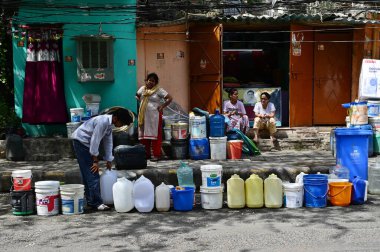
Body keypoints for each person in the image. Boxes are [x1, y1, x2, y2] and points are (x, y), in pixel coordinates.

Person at [72, 108, 132, 211]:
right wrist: (95, 161)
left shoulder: (108, 125)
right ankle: (97, 203)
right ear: (116, 118)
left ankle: (91, 201)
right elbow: (95, 142)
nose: (122, 126)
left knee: (88, 174)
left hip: (84, 143)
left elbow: (108, 142)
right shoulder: (103, 122)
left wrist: (109, 160)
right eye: (122, 123)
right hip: (81, 142)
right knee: (92, 173)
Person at [136, 72, 173, 161]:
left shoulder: (159, 90)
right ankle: (146, 154)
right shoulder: (142, 89)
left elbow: (170, 98)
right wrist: (139, 101)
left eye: (153, 81)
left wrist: (162, 106)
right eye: (149, 80)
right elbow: (137, 95)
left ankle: (156, 155)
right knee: (144, 136)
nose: (151, 82)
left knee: (156, 136)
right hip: (144, 116)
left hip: (154, 116)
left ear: (156, 83)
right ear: (146, 81)